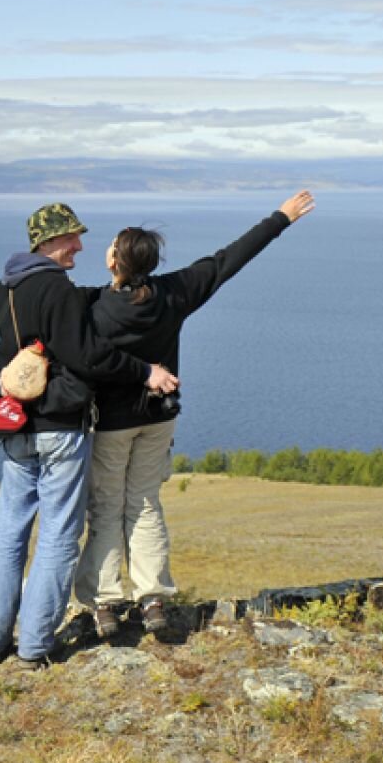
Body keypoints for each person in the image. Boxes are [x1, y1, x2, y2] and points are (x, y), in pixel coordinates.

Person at [74, 190, 316, 638]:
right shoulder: (174, 293)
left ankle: (104, 604)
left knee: (106, 508)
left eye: (110, 246)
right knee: (145, 502)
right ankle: (152, 599)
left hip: (111, 423)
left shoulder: (95, 309)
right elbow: (229, 260)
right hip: (158, 419)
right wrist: (280, 218)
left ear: (115, 262)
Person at [0, 203, 179, 669]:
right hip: (60, 430)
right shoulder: (57, 289)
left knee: (9, 532)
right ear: (49, 242)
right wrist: (144, 370)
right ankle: (33, 647)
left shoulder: (8, 285)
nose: (80, 247)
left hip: (16, 426)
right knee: (59, 537)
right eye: (72, 239)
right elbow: (88, 356)